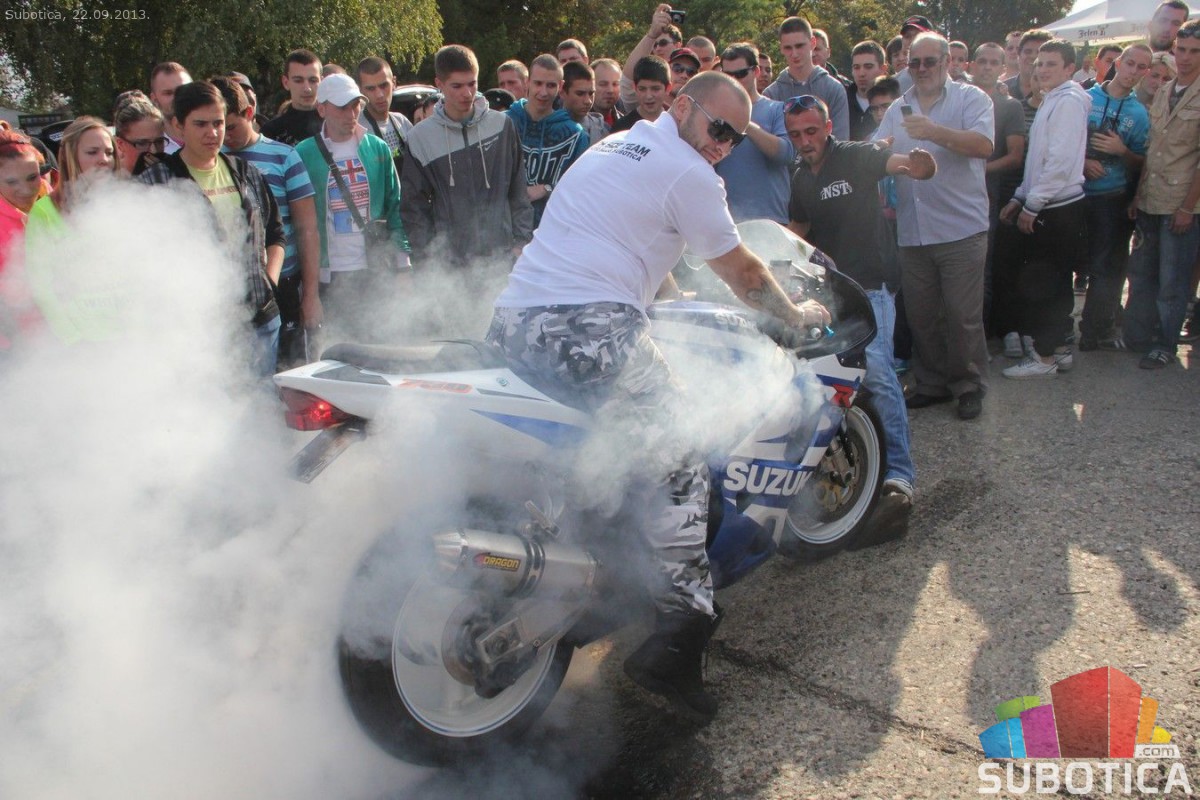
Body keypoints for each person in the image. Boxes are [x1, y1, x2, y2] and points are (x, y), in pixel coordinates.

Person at [487, 72, 829, 723]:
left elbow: (638, 241)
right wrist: (796, 316)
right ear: (681, 105)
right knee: (680, 457)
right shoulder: (689, 172)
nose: (723, 145)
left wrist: (672, 298)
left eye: (735, 137)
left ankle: (599, 560)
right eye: (717, 128)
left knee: (613, 447)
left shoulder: (613, 147)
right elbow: (745, 272)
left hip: (515, 324)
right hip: (589, 329)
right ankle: (679, 635)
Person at [784, 94, 936, 537]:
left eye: (811, 132)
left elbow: (902, 164)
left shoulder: (855, 156)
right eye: (795, 135)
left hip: (871, 285)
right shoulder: (799, 176)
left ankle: (899, 480)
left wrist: (919, 166)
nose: (804, 141)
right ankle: (847, 466)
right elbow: (798, 232)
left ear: (828, 127)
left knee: (878, 371)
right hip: (831, 292)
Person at [875, 32, 994, 420]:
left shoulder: (971, 99)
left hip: (961, 228)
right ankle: (932, 383)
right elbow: (877, 149)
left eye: (930, 61)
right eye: (915, 62)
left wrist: (933, 131)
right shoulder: (898, 107)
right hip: (913, 230)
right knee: (922, 316)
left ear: (947, 62)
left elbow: (984, 145)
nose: (922, 69)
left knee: (962, 316)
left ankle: (968, 385)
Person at [137, 80, 284, 377]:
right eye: (200, 124)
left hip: (261, 322)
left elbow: (275, 232)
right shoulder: (155, 183)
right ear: (178, 126)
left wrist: (270, 281)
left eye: (218, 123)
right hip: (200, 332)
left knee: (263, 401)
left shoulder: (246, 172)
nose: (212, 132)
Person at [996, 40, 1089, 380]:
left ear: (1069, 69)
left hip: (1058, 207)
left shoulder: (1068, 102)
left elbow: (1059, 164)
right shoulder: (1055, 99)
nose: (1043, 69)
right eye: (1040, 63)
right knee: (1056, 283)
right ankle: (1058, 351)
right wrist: (1020, 197)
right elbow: (1037, 160)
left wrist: (1032, 205)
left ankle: (1045, 356)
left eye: (1052, 64)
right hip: (1051, 202)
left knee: (1048, 286)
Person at [215, 77, 321, 367]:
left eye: (231, 126)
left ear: (249, 113)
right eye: (218, 126)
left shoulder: (284, 156)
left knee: (291, 372)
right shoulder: (212, 161)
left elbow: (307, 229)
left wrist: (311, 295)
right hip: (230, 293)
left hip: (284, 285)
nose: (224, 135)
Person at [295, 74, 409, 343]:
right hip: (329, 276)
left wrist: (403, 266)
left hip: (374, 269)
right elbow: (301, 225)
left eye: (356, 105)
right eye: (342, 107)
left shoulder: (377, 148)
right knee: (334, 349)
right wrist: (310, 294)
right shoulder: (303, 153)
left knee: (379, 347)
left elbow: (395, 207)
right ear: (322, 109)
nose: (352, 113)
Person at [401, 45, 533, 275]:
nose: (467, 93)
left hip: (502, 259)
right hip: (449, 267)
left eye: (472, 84)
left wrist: (521, 243)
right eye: (457, 86)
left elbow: (518, 189)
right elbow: (414, 209)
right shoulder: (420, 137)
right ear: (439, 84)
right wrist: (428, 263)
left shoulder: (502, 125)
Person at [1124, 19, 1200, 368]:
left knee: (1173, 280)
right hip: (1152, 197)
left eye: (1194, 51)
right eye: (1181, 49)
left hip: (1181, 202)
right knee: (1141, 273)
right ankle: (1138, 335)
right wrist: (1138, 195)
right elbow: (1153, 149)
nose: (1185, 57)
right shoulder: (1166, 89)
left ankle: (1165, 343)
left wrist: (1187, 207)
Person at [23, 117, 124, 343]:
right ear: (70, 156)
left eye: (109, 152)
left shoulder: (127, 205)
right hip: (81, 343)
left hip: (130, 337)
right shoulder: (45, 211)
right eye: (92, 152)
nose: (103, 159)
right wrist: (73, 338)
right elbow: (42, 286)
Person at [1079, 45, 1151, 353]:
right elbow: (1062, 140)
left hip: (1112, 198)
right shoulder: (1085, 98)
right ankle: (1054, 332)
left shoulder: (1139, 114)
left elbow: (1143, 162)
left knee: (1106, 268)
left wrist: (1122, 152)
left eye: (1141, 67)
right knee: (1065, 263)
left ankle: (1093, 332)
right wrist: (1082, 161)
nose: (1133, 71)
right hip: (1075, 193)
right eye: (1129, 63)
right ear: (1117, 63)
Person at [971, 42, 1027, 336]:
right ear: (972, 65)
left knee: (982, 268)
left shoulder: (1009, 106)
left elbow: (1015, 156)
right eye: (982, 61)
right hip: (951, 195)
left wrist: (978, 170)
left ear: (1004, 69)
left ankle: (979, 341)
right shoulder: (959, 99)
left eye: (994, 63)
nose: (987, 67)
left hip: (987, 194)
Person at [713, 43, 793, 223]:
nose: (734, 80)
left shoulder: (777, 109)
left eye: (741, 74)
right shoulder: (715, 113)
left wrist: (745, 122)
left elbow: (786, 154)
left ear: (756, 71)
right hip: (728, 219)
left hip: (770, 219)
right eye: (728, 75)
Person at [507, 55, 589, 227]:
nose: (543, 92)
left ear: (560, 86)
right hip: (504, 227)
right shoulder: (504, 123)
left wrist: (547, 188)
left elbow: (579, 189)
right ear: (527, 82)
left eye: (551, 85)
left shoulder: (575, 135)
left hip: (549, 229)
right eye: (538, 83)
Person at [0, 131, 49, 351]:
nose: (26, 189)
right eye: (12, 182)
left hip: (57, 333)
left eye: (32, 177)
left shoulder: (51, 205)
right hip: (12, 345)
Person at [762, 16, 850, 140]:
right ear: (781, 48)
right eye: (788, 48)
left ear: (812, 43)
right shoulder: (771, 94)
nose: (794, 54)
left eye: (799, 46)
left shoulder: (833, 89)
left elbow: (841, 140)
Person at [356, 56, 414, 176]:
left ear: (394, 83)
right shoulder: (355, 128)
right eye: (371, 89)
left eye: (384, 86)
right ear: (360, 90)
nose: (380, 95)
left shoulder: (402, 121)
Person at [619, 4, 684, 112]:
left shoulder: (700, 105)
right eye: (655, 44)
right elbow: (627, 84)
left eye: (691, 71)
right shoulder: (646, 102)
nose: (658, 48)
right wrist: (651, 35)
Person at [262, 49, 324, 146]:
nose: (307, 89)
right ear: (286, 82)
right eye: (298, 80)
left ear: (322, 82)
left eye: (313, 80)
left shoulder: (335, 125)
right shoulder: (271, 132)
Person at [610, 56, 671, 133]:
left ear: (668, 88)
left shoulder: (676, 125)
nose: (648, 96)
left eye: (655, 89)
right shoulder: (621, 128)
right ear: (634, 88)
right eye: (642, 89)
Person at [112, 93, 167, 175]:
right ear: (120, 145)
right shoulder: (104, 178)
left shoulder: (175, 171)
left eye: (159, 142)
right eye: (142, 143)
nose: (154, 151)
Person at [148, 62, 192, 154]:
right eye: (168, 93)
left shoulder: (211, 139)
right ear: (154, 100)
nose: (177, 98)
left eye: (183, 90)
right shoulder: (150, 149)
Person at [848, 41, 887, 140]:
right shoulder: (842, 100)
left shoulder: (895, 102)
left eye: (868, 67)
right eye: (856, 67)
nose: (861, 73)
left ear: (883, 69)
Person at [562, 61, 607, 145]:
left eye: (591, 93)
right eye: (580, 94)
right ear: (562, 92)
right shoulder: (546, 130)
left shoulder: (605, 131)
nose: (588, 101)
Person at [592, 58, 623, 128]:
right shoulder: (577, 123)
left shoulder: (626, 124)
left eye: (615, 84)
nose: (610, 90)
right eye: (603, 84)